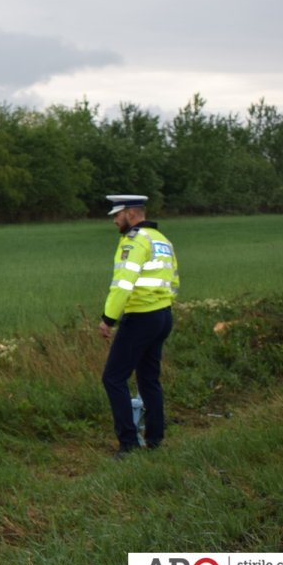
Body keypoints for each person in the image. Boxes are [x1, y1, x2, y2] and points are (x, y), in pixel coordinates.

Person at [98, 194, 180, 458]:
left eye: (117, 215)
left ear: (131, 214)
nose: (114, 221)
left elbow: (123, 283)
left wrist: (108, 319)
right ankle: (155, 439)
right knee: (148, 379)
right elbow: (174, 280)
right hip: (163, 315)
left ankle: (128, 445)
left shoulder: (133, 241)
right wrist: (162, 306)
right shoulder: (162, 240)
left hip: (141, 317)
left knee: (113, 378)